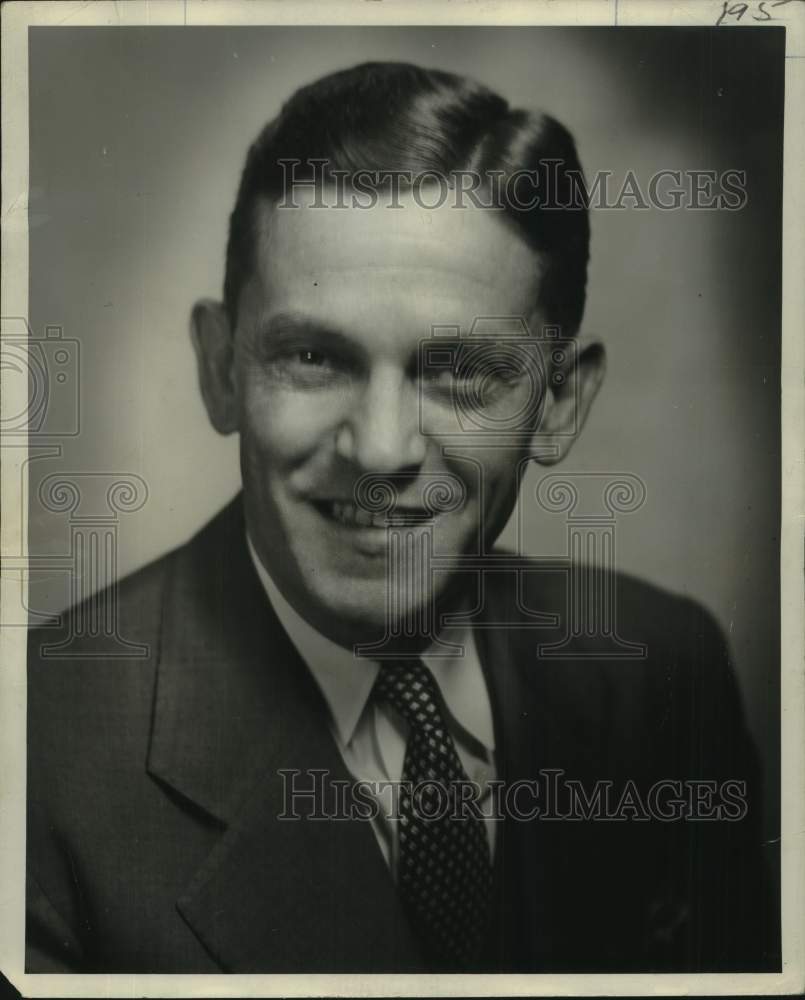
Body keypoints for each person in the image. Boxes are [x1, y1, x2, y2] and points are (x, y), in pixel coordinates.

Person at [26, 61, 778, 974]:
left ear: (557, 404)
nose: (380, 450)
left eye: (459, 371)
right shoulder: (29, 760)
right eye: (313, 355)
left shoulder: (664, 673)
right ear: (222, 368)